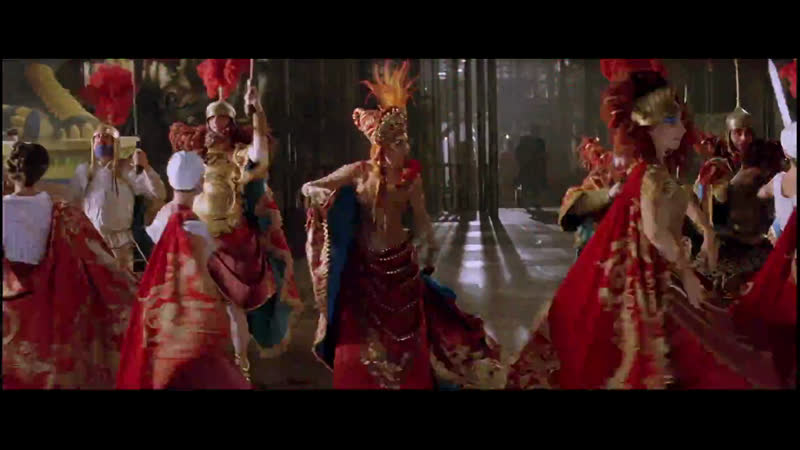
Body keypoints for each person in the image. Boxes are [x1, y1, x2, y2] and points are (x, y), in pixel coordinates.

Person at [507, 59, 781, 390]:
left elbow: (678, 195)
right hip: (631, 265)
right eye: (671, 122)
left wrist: (705, 231)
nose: (682, 130)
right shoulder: (634, 171)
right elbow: (647, 225)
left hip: (656, 262)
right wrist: (686, 267)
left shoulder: (657, 169)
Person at [302, 60, 504, 390]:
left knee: (409, 340)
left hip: (402, 266)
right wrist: (317, 193)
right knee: (363, 342)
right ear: (382, 147)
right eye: (398, 143)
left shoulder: (411, 179)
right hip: (366, 272)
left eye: (405, 141)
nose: (405, 148)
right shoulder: (359, 173)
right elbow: (314, 186)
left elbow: (422, 220)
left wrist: (430, 247)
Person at [167, 59, 303, 380]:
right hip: (197, 237)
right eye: (215, 118)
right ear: (207, 123)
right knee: (195, 306)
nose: (220, 123)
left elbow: (259, 154)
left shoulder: (237, 155)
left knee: (233, 307)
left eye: (225, 117)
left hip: (231, 240)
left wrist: (257, 112)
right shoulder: (195, 157)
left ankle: (241, 366)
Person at [3, 142, 136, 389]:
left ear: (11, 171)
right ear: (42, 171)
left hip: (9, 305)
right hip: (52, 301)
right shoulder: (62, 211)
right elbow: (96, 257)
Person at [116, 151, 250, 389]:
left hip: (164, 307)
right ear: (200, 184)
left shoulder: (163, 217)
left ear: (170, 181)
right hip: (193, 311)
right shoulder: (199, 227)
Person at [68, 124, 166, 271]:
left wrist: (145, 167)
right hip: (93, 242)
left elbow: (159, 193)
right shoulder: (85, 171)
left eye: (106, 137)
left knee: (123, 281)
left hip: (121, 243)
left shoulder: (126, 169)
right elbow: (72, 202)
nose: (101, 140)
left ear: (115, 143)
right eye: (98, 137)